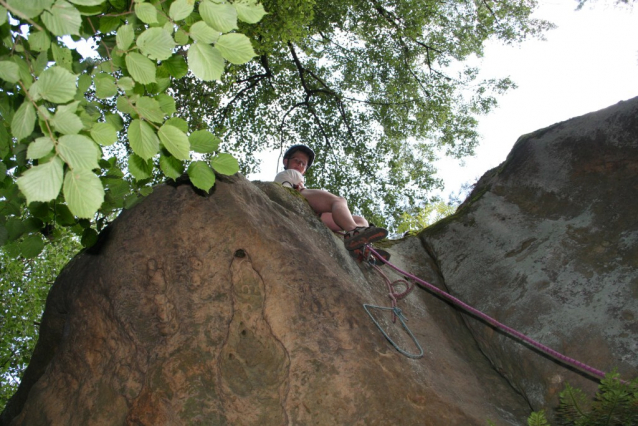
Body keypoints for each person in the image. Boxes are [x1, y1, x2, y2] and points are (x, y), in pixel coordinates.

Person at [274, 144, 388, 251]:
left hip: (312, 213)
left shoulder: (288, 177)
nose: (299, 165)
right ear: (285, 161)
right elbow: (286, 193)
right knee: (339, 201)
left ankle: (361, 245)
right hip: (299, 200)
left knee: (361, 220)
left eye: (303, 164)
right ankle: (354, 231)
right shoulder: (291, 174)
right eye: (297, 160)